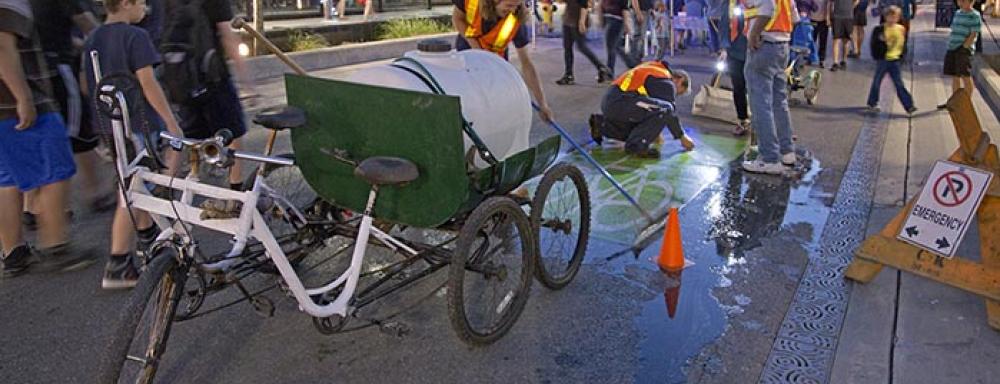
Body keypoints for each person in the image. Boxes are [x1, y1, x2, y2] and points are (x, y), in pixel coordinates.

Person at [81, 0, 185, 288]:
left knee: (135, 182)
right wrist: (171, 122)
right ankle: (118, 262)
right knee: (131, 190)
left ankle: (147, 236)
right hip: (137, 123)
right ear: (125, 3)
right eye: (141, 2)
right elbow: (148, 82)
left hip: (108, 125)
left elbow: (85, 84)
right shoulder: (135, 36)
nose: (146, 8)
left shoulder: (92, 39)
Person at [0, 0, 95, 277]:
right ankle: (56, 247)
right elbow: (3, 48)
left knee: (7, 180)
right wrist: (24, 97)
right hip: (17, 103)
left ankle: (13, 252)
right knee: (55, 171)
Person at [26, 0, 113, 226]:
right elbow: (92, 28)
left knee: (38, 134)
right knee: (79, 132)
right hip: (60, 69)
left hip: (31, 71)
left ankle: (32, 204)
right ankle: (93, 193)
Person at [166, 0, 252, 193]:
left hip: (180, 78)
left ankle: (165, 188)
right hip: (213, 78)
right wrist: (246, 80)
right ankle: (235, 193)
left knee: (184, 138)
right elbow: (226, 35)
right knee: (234, 134)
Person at [452, 0, 553, 121]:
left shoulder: (516, 20)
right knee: (468, 107)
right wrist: (476, 47)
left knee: (492, 111)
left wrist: (543, 104)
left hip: (495, 71)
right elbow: (457, 19)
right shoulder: (472, 2)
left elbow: (526, 63)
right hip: (466, 64)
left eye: (516, 6)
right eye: (509, 6)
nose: (512, 10)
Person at [588, 61, 695, 158]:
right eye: (679, 92)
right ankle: (637, 147)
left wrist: (653, 133)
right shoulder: (665, 79)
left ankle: (601, 126)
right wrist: (682, 136)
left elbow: (651, 109)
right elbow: (668, 111)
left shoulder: (654, 69)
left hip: (614, 101)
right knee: (666, 108)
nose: (676, 95)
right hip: (621, 102)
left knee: (638, 131)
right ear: (679, 80)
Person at [743, 0, 799, 174]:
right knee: (779, 101)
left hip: (763, 45)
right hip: (782, 47)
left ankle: (769, 158)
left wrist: (754, 34)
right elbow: (795, 18)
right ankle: (787, 151)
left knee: (760, 104)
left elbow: (767, 9)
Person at [866, 6, 916, 114]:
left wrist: (902, 55)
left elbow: (903, 43)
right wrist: (877, 54)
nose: (892, 19)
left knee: (899, 83)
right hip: (883, 59)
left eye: (895, 17)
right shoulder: (880, 29)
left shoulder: (901, 29)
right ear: (886, 17)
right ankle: (872, 102)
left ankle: (909, 105)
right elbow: (874, 44)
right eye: (890, 16)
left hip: (895, 60)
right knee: (877, 81)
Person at [555, 0, 614, 85]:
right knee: (567, 47)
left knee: (581, 46)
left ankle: (601, 67)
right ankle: (568, 74)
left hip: (577, 20)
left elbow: (584, 5)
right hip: (568, 18)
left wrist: (582, 22)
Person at [938, 0, 981, 109]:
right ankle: (955, 101)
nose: (960, 3)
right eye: (959, 1)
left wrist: (965, 47)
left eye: (963, 1)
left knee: (965, 76)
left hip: (963, 50)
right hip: (952, 47)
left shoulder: (974, 15)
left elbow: (974, 33)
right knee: (955, 76)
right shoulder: (958, 13)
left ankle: (966, 103)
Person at [720, 0, 751, 135]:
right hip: (735, 51)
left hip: (756, 50)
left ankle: (761, 122)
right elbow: (724, 25)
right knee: (738, 87)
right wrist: (724, 48)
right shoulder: (730, 4)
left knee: (758, 88)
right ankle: (742, 120)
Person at [598, 0, 641, 74]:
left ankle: (610, 71)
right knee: (616, 46)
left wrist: (627, 24)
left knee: (611, 47)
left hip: (613, 19)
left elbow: (624, 8)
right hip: (615, 19)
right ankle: (631, 64)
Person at [827, 0, 855, 71]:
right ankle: (835, 62)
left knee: (846, 41)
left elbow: (857, 1)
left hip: (848, 17)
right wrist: (828, 17)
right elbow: (829, 3)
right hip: (837, 16)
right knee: (836, 39)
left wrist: (851, 8)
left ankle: (844, 61)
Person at [810, 0, 829, 67]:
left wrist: (828, 17)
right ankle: (810, 57)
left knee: (823, 40)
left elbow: (829, 4)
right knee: (811, 40)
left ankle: (822, 59)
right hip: (812, 19)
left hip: (823, 20)